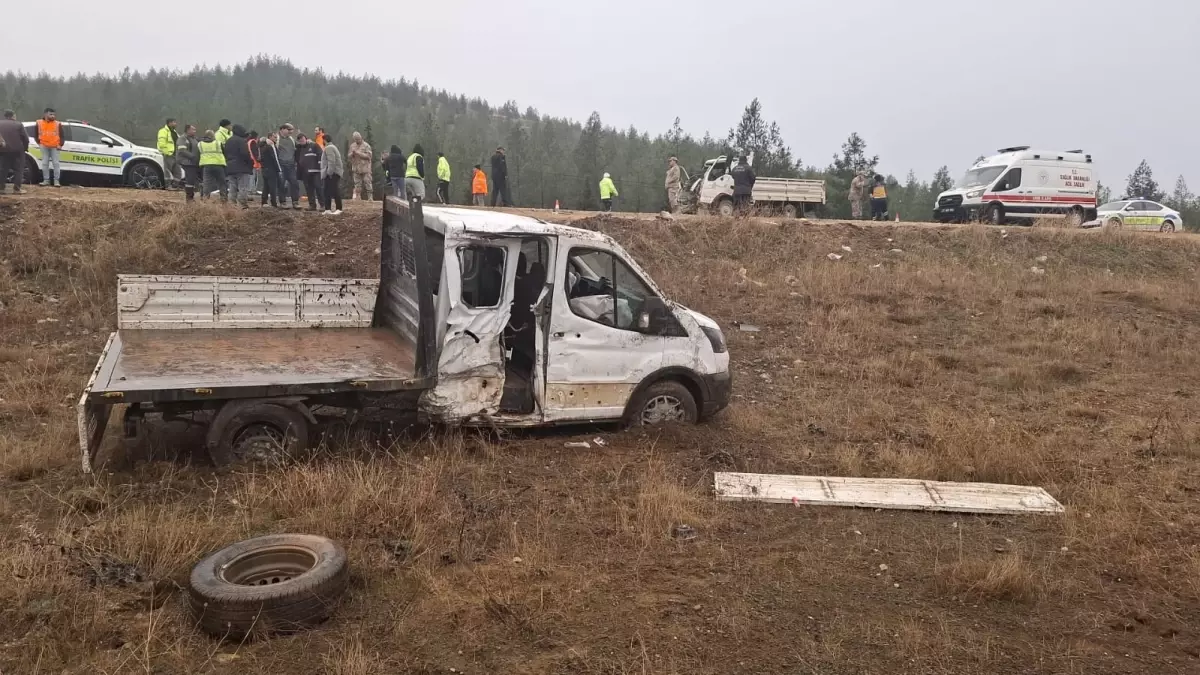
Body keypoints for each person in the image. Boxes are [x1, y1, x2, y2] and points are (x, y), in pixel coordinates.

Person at [0, 109, 30, 194]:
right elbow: (25, 138)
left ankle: (1, 188)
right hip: (17, 150)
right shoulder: (18, 124)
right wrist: (25, 148)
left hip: (3, 150)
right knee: (19, 169)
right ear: (13, 116)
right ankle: (17, 189)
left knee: (3, 169)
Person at [223, 124, 253, 208]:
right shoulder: (242, 141)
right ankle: (243, 205)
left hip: (230, 167)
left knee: (232, 187)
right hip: (242, 167)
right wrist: (250, 164)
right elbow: (245, 154)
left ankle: (232, 205)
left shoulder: (228, 141)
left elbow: (225, 153)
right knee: (243, 187)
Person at [35, 108, 64, 187]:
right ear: (45, 114)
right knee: (44, 163)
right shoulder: (39, 123)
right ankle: (46, 180)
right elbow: (36, 134)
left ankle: (56, 181)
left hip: (55, 146)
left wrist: (60, 144)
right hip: (44, 145)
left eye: (54, 114)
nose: (53, 116)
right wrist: (39, 143)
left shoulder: (57, 124)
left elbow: (62, 136)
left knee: (56, 163)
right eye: (50, 114)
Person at [198, 130, 227, 202]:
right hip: (219, 165)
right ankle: (224, 199)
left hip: (206, 166)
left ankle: (205, 199)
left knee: (206, 183)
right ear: (212, 136)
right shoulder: (218, 143)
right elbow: (225, 152)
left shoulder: (200, 144)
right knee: (222, 183)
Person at [276, 124, 301, 210]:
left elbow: (298, 147)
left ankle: (295, 202)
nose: (291, 131)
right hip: (281, 165)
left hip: (291, 165)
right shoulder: (277, 138)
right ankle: (283, 202)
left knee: (294, 183)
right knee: (282, 184)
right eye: (289, 129)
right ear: (282, 129)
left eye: (292, 130)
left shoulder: (291, 139)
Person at [297, 134, 324, 211]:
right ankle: (312, 205)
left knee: (319, 188)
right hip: (305, 173)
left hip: (316, 172)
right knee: (309, 189)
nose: (302, 142)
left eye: (303, 140)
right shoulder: (299, 148)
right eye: (300, 141)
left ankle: (322, 205)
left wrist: (321, 167)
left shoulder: (314, 145)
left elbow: (320, 155)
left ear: (306, 139)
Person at [175, 124, 200, 202]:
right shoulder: (182, 138)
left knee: (192, 179)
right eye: (193, 130)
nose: (195, 131)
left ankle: (191, 196)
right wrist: (192, 156)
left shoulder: (194, 138)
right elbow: (182, 150)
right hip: (186, 162)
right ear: (188, 130)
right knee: (190, 179)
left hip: (193, 162)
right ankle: (189, 198)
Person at [320, 134, 344, 215]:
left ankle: (339, 208)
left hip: (332, 173)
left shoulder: (329, 148)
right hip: (331, 173)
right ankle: (327, 209)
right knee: (327, 191)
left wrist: (329, 173)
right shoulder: (331, 147)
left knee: (334, 190)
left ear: (325, 140)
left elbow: (331, 161)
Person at [258, 131, 284, 208]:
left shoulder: (262, 146)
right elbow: (275, 159)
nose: (276, 139)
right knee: (273, 187)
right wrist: (279, 170)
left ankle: (264, 201)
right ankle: (274, 203)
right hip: (271, 169)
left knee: (266, 186)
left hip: (264, 169)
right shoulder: (271, 146)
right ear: (270, 137)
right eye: (274, 137)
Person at [348, 131, 374, 201]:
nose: (357, 141)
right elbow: (349, 156)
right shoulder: (352, 146)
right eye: (356, 139)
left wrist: (358, 153)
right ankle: (358, 197)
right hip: (356, 168)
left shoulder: (366, 146)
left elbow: (369, 156)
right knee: (357, 183)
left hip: (365, 168)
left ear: (361, 138)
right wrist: (352, 154)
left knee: (367, 182)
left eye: (358, 139)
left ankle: (370, 197)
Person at [157, 118, 180, 187]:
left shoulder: (174, 132)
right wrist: (166, 152)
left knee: (178, 172)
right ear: (169, 123)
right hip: (169, 155)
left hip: (176, 155)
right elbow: (161, 144)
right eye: (174, 122)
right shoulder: (163, 131)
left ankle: (175, 185)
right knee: (167, 171)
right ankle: (168, 185)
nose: (175, 124)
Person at [246, 130, 261, 195]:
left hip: (249, 161)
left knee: (250, 177)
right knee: (254, 177)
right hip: (254, 162)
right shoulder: (253, 142)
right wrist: (258, 161)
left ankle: (250, 189)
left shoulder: (247, 141)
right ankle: (252, 190)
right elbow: (255, 153)